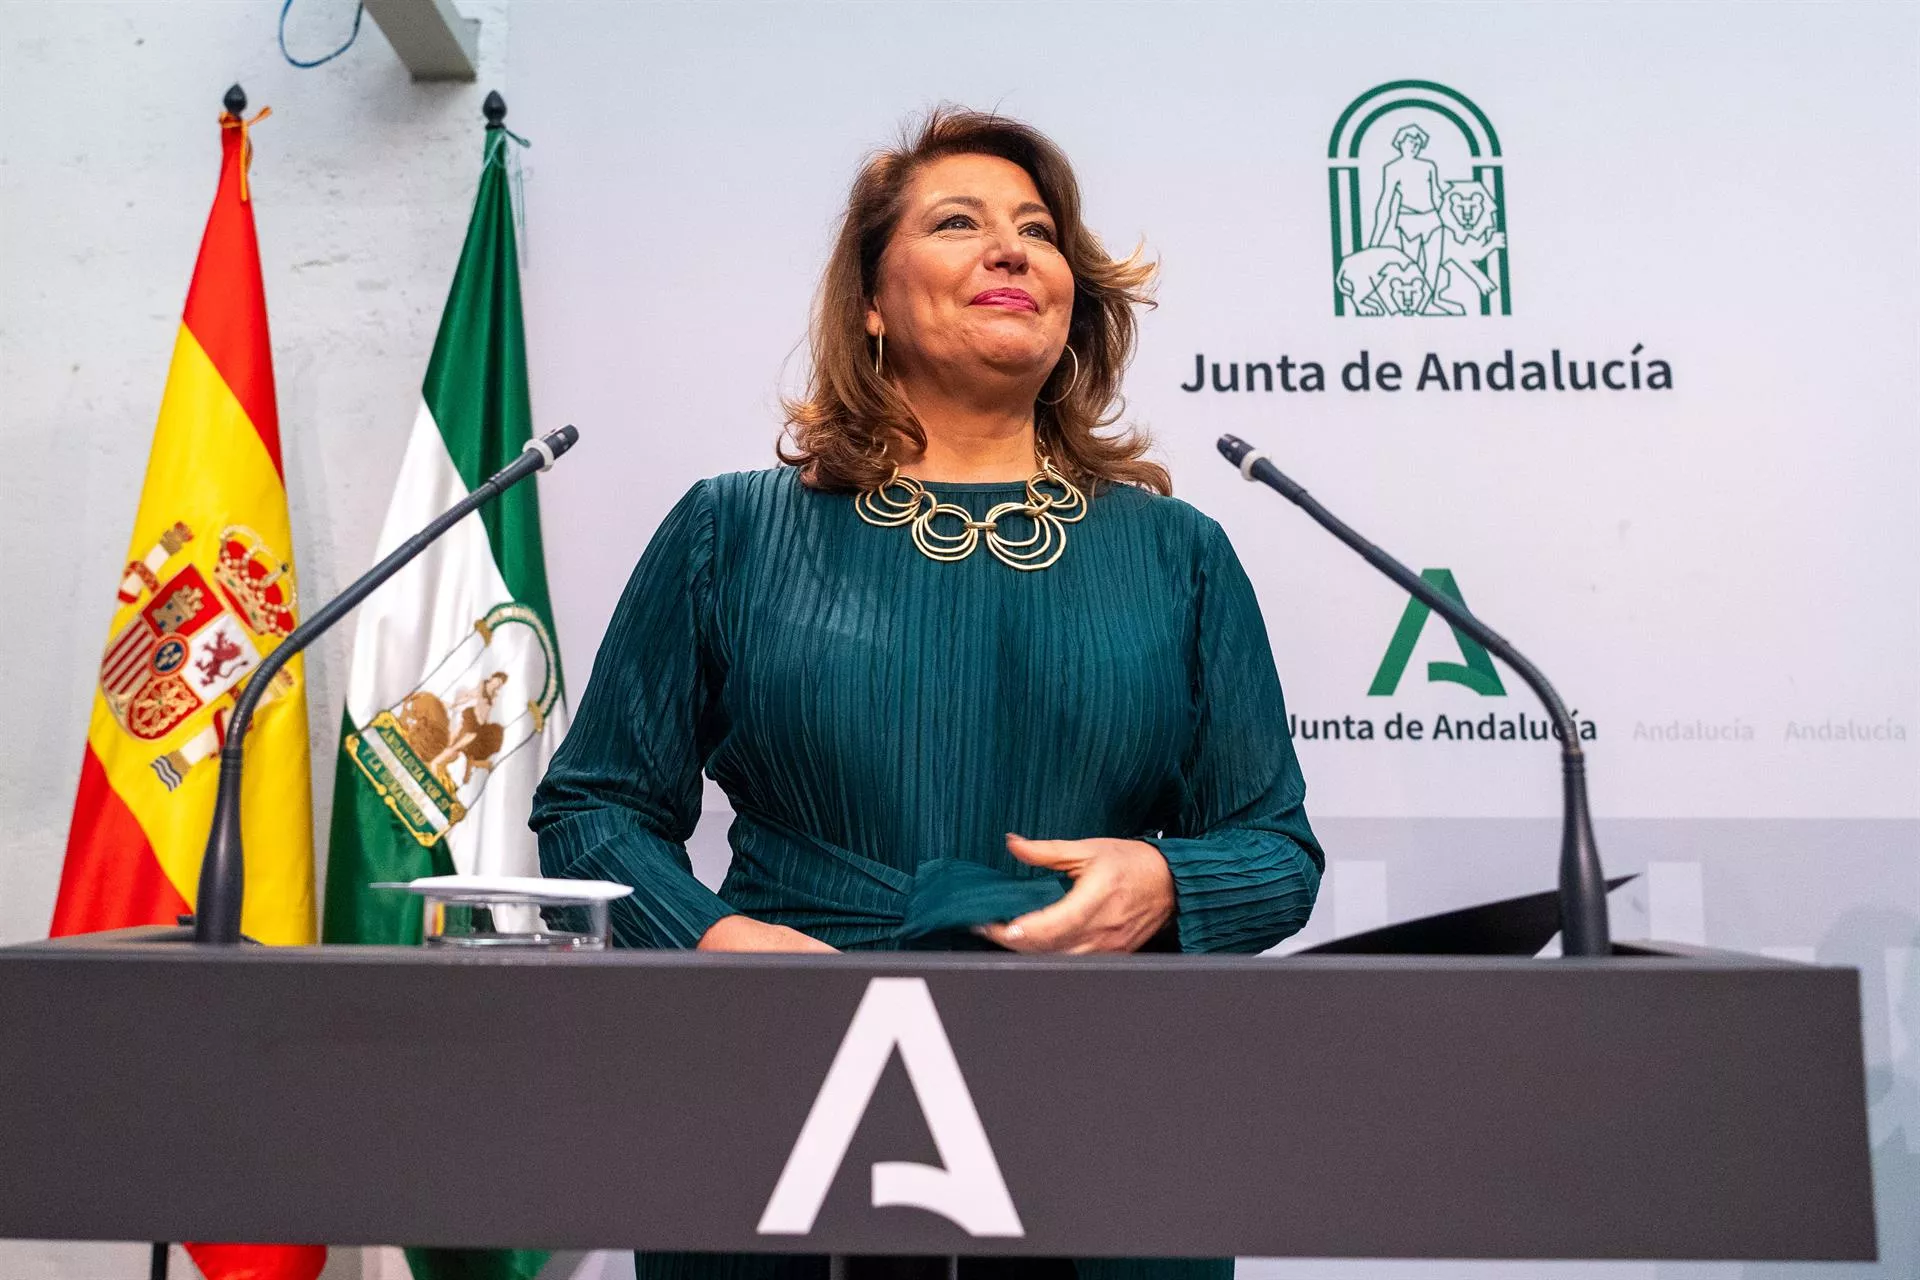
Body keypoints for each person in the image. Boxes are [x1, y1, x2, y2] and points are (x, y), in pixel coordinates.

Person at [532, 107, 1323, 1280]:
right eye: (960, 222)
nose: (1013, 251)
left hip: (1103, 1108)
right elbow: (591, 810)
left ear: (1073, 296)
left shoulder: (1179, 552)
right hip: (781, 1085)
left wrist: (1164, 880)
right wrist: (712, 939)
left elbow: (1276, 848)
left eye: (1040, 231)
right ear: (869, 298)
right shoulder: (733, 528)